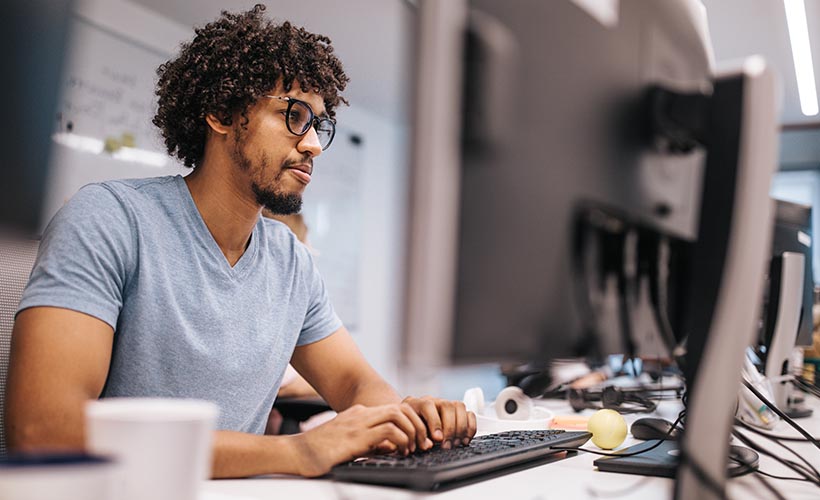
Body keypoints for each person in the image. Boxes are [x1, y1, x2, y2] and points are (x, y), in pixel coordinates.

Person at [5, 5, 475, 479]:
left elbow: (355, 385)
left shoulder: (291, 260)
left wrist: (414, 418)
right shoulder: (109, 219)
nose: (312, 143)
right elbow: (44, 431)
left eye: (318, 124)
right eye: (294, 115)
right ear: (221, 114)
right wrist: (297, 451)